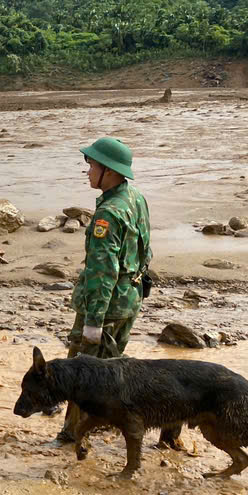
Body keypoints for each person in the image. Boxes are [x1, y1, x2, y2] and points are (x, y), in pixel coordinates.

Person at [55, 136, 155, 444]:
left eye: (92, 166)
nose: (87, 172)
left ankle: (73, 434)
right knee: (111, 369)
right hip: (130, 298)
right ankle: (104, 423)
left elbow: (103, 272)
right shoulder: (135, 198)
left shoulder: (108, 214)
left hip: (108, 305)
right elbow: (145, 250)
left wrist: (93, 321)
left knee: (80, 373)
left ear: (108, 172)